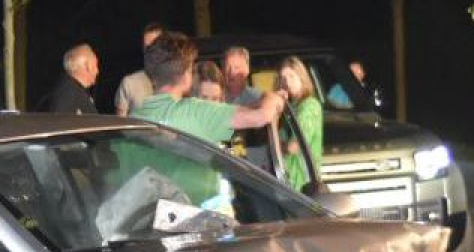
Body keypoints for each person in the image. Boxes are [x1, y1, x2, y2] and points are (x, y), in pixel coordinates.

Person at [129, 31, 285, 145]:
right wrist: (273, 97)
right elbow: (262, 116)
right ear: (186, 75)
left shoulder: (132, 119)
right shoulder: (196, 112)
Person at [277, 56, 322, 192]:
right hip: (289, 178)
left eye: (291, 76)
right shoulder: (291, 106)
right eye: (283, 78)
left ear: (301, 76)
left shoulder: (309, 106)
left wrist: (275, 145)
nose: (287, 82)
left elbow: (293, 146)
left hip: (303, 181)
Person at [114, 23, 163, 116]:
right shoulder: (130, 83)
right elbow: (121, 125)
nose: (148, 51)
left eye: (154, 45)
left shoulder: (180, 81)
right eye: (146, 46)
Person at [40, 43, 99, 114]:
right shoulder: (67, 92)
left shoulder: (72, 89)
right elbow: (62, 123)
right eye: (95, 65)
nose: (97, 71)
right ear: (87, 66)